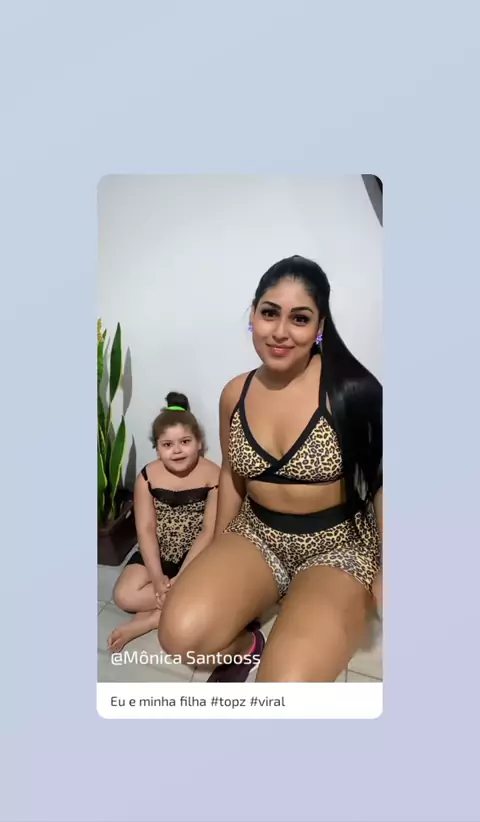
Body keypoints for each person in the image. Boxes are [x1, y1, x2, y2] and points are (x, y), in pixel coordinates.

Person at [158, 255, 382, 682]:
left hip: (337, 545)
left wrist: (388, 567)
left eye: (300, 318)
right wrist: (219, 545)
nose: (280, 331)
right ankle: (249, 646)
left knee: (284, 688)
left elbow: (383, 482)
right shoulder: (235, 393)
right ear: (253, 315)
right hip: (258, 533)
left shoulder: (353, 391)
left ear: (319, 326)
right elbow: (231, 474)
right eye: (269, 313)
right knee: (180, 636)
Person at [107, 392, 220, 653]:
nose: (177, 450)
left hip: (197, 555)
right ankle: (170, 603)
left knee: (206, 599)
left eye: (185, 442)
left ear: (199, 443)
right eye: (167, 444)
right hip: (160, 550)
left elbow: (208, 530)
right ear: (157, 448)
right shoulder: (148, 476)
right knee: (124, 596)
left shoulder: (213, 475)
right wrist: (158, 578)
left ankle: (147, 622)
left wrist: (180, 579)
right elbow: (145, 529)